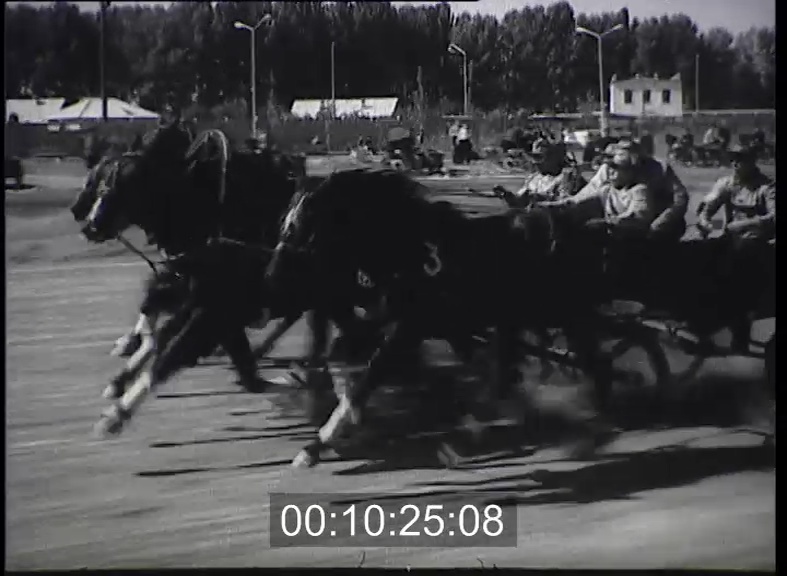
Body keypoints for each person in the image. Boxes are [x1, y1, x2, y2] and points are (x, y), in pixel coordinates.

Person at [696, 144, 775, 353]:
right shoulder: (727, 183)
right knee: (696, 257)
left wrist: (743, 224)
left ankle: (740, 337)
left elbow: (773, 217)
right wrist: (705, 221)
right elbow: (708, 206)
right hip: (730, 239)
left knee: (737, 282)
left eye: (740, 160)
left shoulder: (766, 187)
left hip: (758, 243)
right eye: (732, 159)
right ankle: (701, 330)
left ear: (752, 161)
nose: (735, 164)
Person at [588, 139, 689, 242]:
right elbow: (592, 191)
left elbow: (680, 198)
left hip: (659, 217)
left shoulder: (660, 168)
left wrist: (662, 221)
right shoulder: (612, 167)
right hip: (626, 220)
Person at [509, 138, 586, 204]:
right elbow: (518, 200)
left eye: (540, 158)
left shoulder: (569, 179)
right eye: (534, 158)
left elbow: (564, 204)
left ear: (557, 158)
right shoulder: (533, 178)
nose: (535, 162)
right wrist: (507, 195)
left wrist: (538, 198)